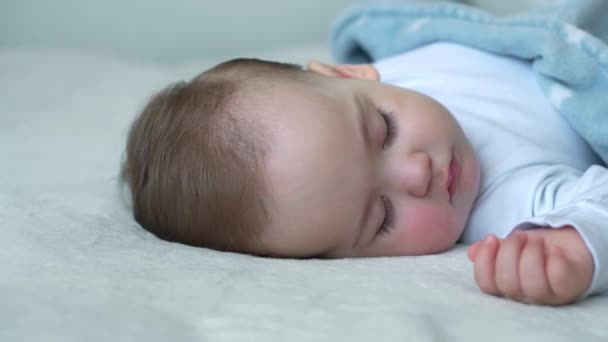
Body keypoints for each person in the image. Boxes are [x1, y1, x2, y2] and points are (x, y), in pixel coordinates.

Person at [121, 41, 608, 306]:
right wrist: (572, 243)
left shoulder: (401, 55)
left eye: (383, 130)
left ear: (349, 75)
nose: (418, 175)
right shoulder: (509, 199)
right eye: (382, 217)